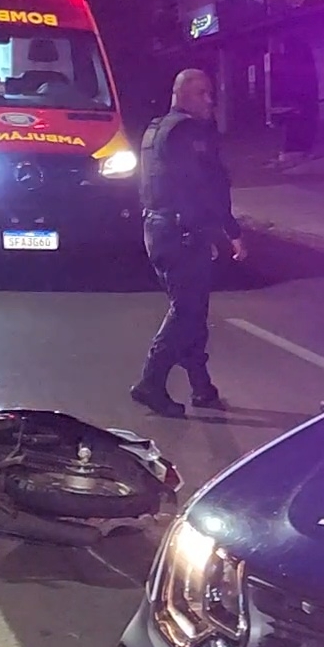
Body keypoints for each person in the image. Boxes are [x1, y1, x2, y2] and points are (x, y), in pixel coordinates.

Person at [131, 68, 247, 419]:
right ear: (181, 95)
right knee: (187, 311)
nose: (209, 100)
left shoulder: (156, 128)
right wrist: (228, 230)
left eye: (210, 93)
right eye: (202, 93)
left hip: (162, 229)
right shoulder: (186, 132)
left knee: (193, 311)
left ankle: (201, 386)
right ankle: (151, 382)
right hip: (180, 232)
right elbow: (205, 186)